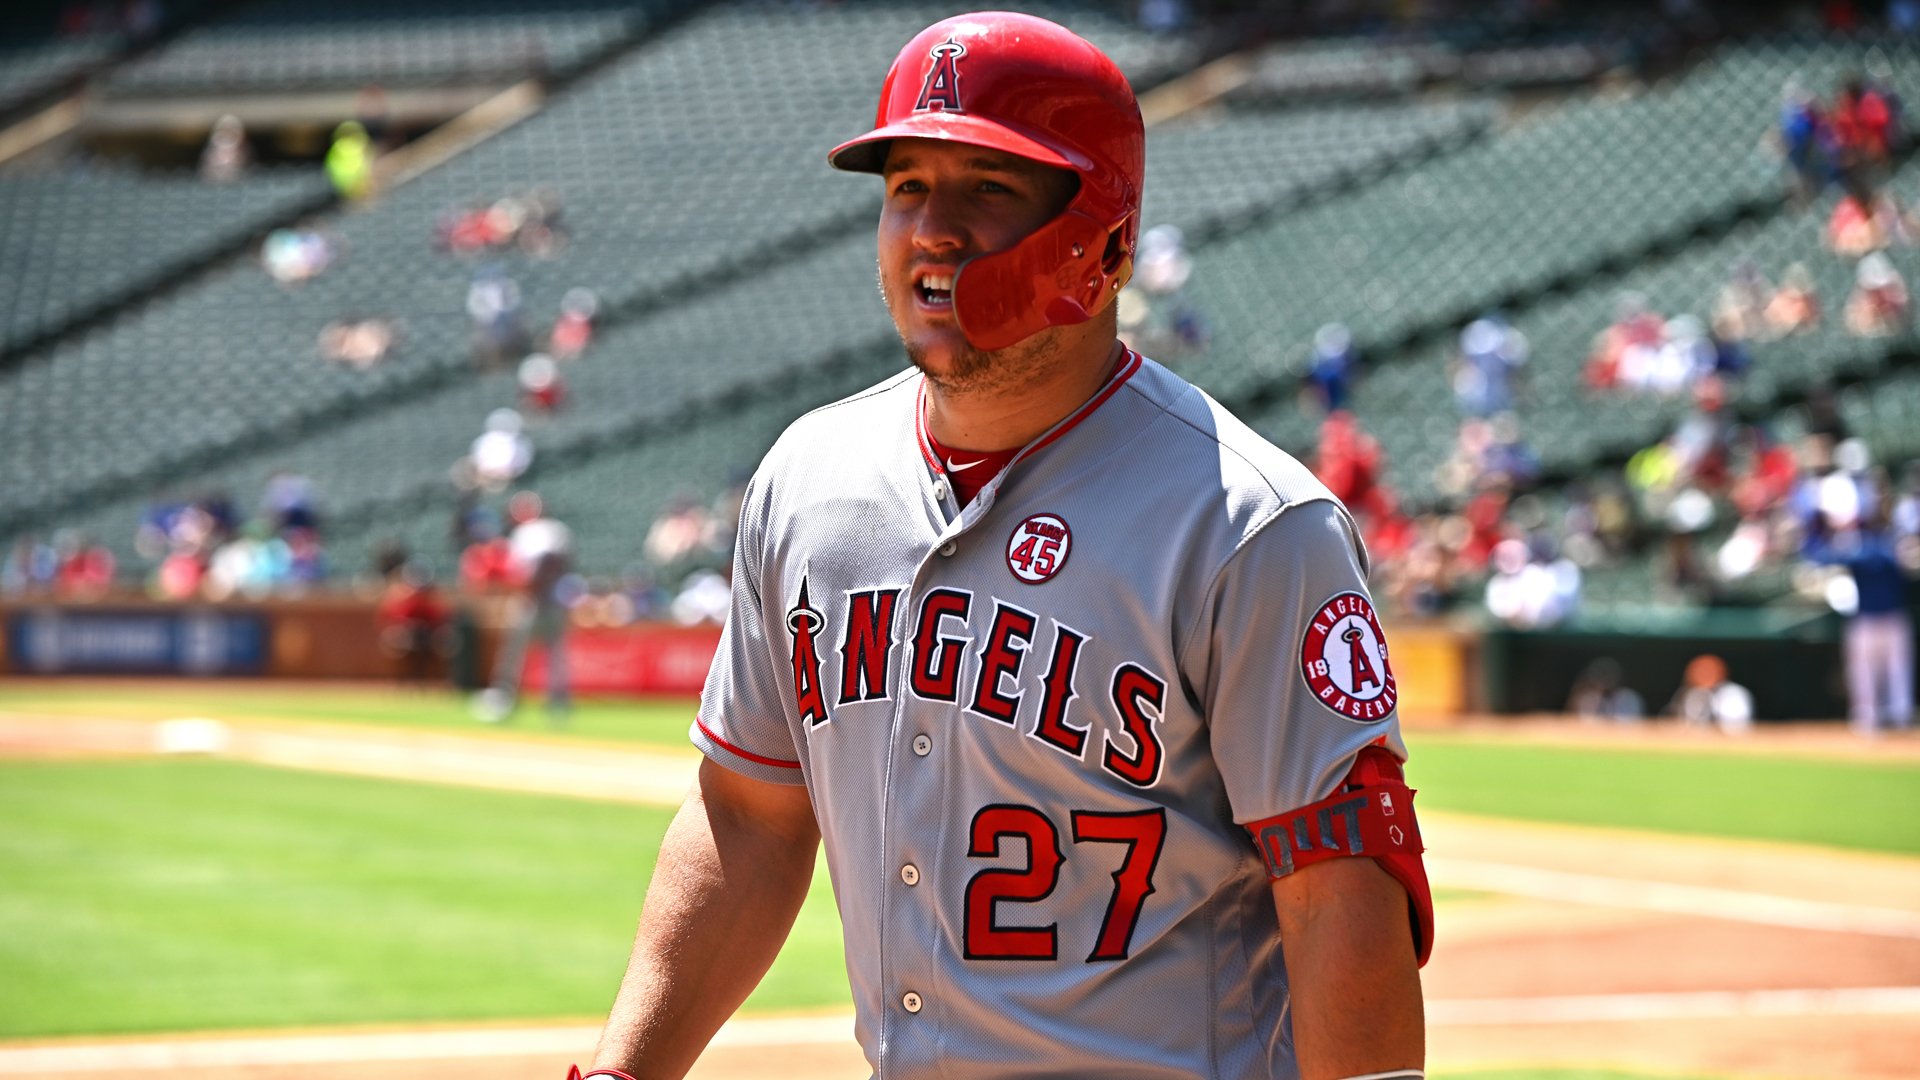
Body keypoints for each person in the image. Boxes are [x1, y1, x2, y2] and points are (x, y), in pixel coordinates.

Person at [577, 15, 1429, 1080]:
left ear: (1109, 242)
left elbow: (1341, 896)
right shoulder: (808, 478)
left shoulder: (1247, 523)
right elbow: (747, 817)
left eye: (988, 188)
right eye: (906, 188)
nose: (933, 230)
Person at [473, 491, 574, 724]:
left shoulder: (537, 531)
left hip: (537, 599)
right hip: (551, 599)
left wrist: (532, 584)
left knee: (528, 655)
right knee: (545, 655)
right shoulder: (553, 530)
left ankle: (508, 700)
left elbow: (546, 561)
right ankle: (553, 706)